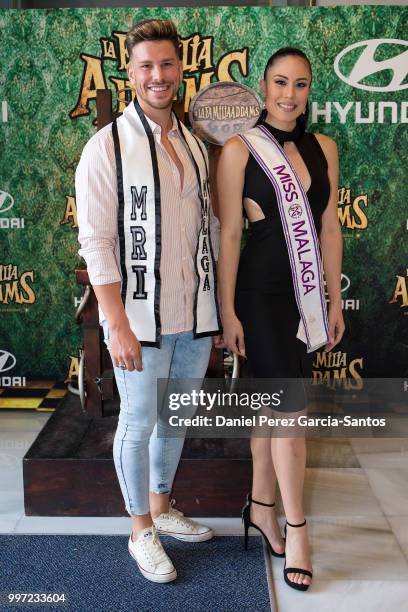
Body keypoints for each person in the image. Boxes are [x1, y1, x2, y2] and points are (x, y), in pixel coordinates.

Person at [76, 19, 221, 584]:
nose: (158, 75)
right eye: (146, 66)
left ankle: (163, 508)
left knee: (174, 419)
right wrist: (115, 322)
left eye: (166, 64)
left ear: (181, 69)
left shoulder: (191, 141)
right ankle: (140, 530)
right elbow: (97, 242)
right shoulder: (107, 144)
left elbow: (204, 227)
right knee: (138, 423)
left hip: (194, 313)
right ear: (130, 73)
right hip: (140, 318)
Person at [217, 48, 345, 592]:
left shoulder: (325, 148)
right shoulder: (240, 149)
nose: (289, 95)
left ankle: (262, 509)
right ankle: (297, 530)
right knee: (289, 416)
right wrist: (226, 311)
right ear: (262, 87)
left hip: (307, 297)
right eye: (279, 83)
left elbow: (329, 226)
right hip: (260, 298)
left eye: (300, 84)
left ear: (310, 89)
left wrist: (335, 300)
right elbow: (228, 235)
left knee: (270, 416)